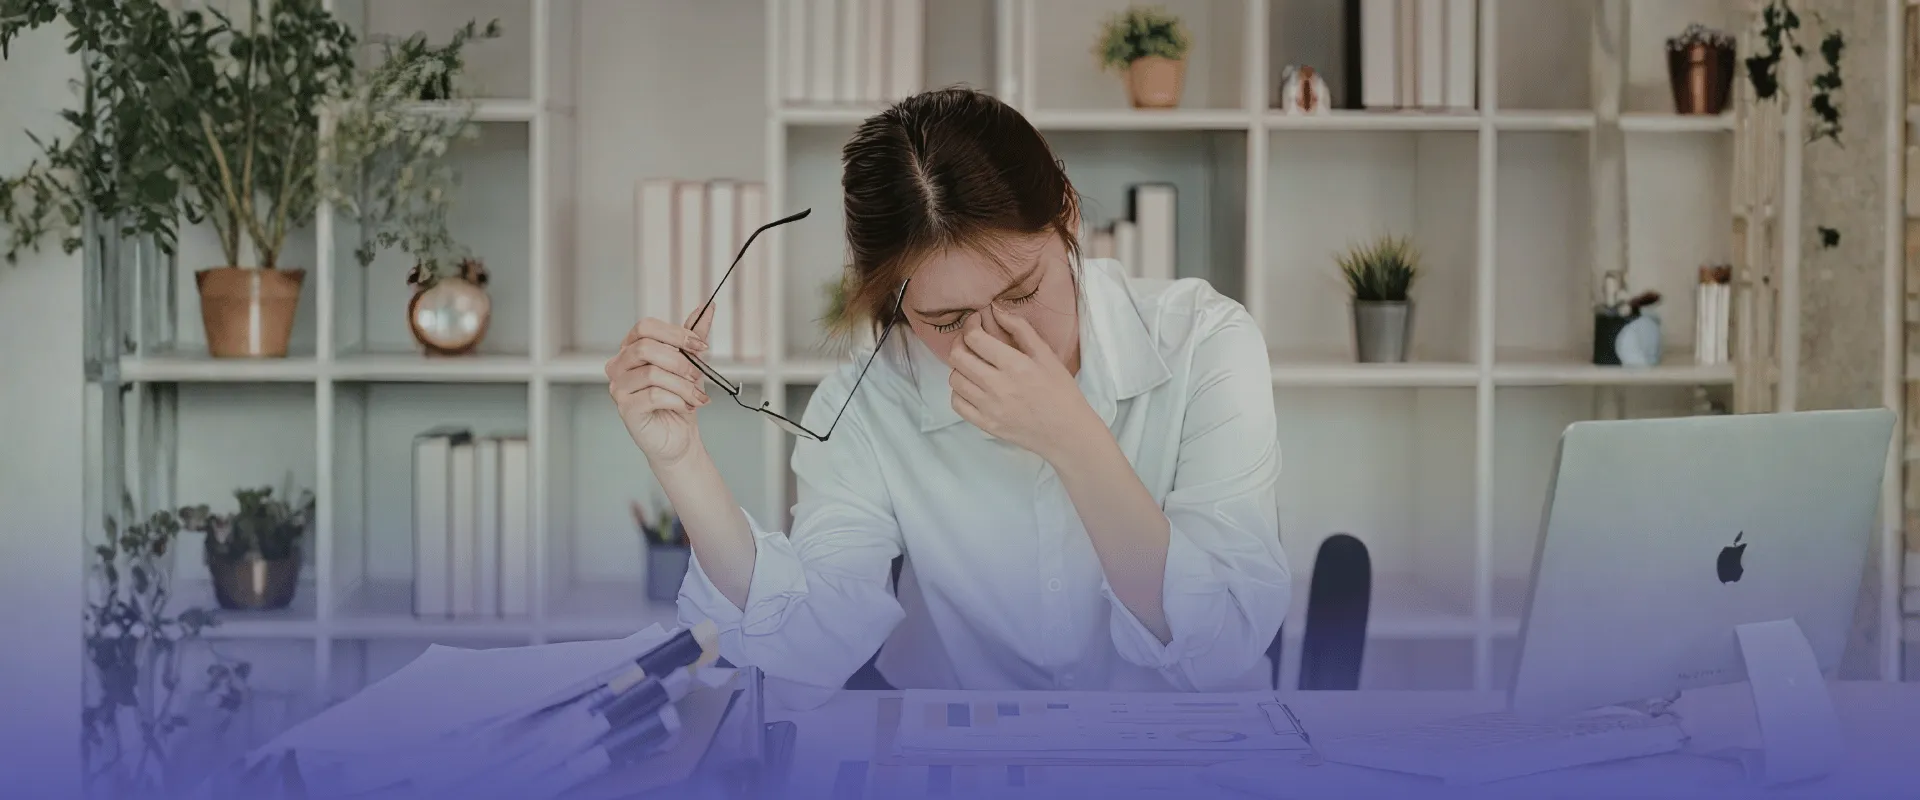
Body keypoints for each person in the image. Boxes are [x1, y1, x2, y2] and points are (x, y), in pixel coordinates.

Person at [606, 87, 1290, 709]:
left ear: (1068, 214)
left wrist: (1075, 442)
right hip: (959, 760)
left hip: (1188, 751)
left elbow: (1223, 645)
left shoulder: (1204, 343)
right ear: (894, 305)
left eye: (1022, 292)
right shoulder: (870, 400)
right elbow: (807, 640)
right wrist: (681, 461)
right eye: (946, 321)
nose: (994, 338)